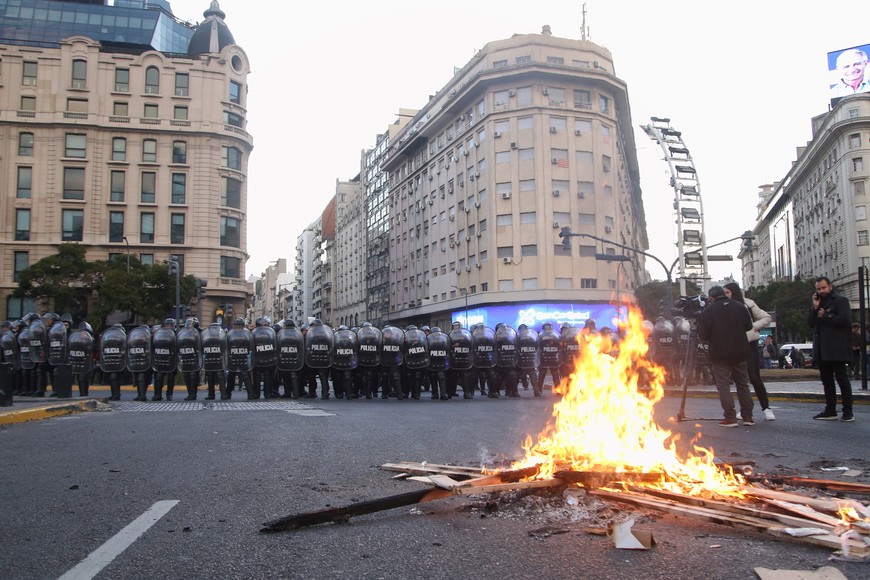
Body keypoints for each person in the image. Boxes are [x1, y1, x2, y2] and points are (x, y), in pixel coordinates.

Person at [696, 285, 754, 428]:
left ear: (711, 298)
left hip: (720, 354)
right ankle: (748, 417)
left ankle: (730, 418)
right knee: (742, 385)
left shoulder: (709, 310)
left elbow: (702, 334)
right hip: (740, 352)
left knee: (723, 386)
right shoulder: (740, 307)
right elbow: (748, 327)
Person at [724, 282, 775, 421]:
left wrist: (752, 327)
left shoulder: (749, 304)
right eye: (724, 293)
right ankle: (745, 409)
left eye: (728, 292)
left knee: (754, 377)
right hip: (734, 346)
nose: (726, 295)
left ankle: (766, 408)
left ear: (734, 292)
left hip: (750, 344)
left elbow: (766, 317)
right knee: (740, 379)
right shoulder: (723, 307)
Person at [808, 276, 854, 422]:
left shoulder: (840, 301)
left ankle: (848, 411)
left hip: (837, 348)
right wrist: (815, 308)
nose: (821, 291)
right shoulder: (819, 303)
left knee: (842, 379)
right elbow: (810, 323)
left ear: (830, 287)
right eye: (818, 289)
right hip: (822, 349)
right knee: (826, 380)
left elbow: (845, 320)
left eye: (823, 287)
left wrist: (826, 315)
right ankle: (830, 409)